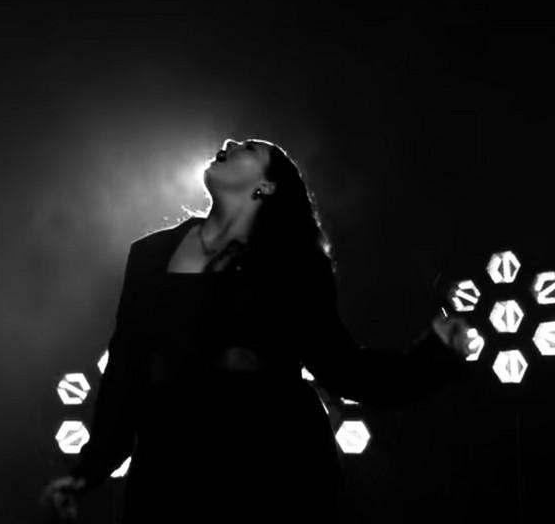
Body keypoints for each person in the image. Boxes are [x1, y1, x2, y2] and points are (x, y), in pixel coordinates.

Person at [39, 138, 476, 522]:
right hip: (171, 466)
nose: (230, 142)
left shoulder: (297, 266)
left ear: (266, 186)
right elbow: (124, 375)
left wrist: (432, 358)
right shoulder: (149, 255)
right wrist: (86, 474)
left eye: (250, 148)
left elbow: (343, 367)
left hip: (273, 466)